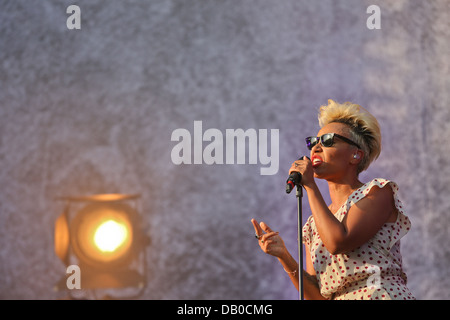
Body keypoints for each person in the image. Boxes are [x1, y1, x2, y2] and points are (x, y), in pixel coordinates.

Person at [251, 99, 415, 300]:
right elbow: (318, 296)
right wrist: (284, 256)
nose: (316, 148)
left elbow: (339, 241)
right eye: (313, 142)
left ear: (355, 155)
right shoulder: (314, 225)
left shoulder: (377, 192)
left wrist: (310, 185)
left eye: (328, 140)